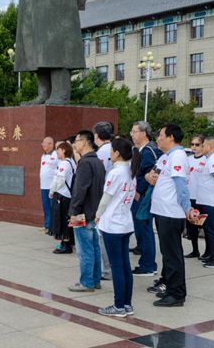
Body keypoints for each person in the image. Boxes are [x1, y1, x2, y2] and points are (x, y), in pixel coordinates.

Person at [147, 124, 193, 307]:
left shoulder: (178, 156)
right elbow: (151, 176)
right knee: (167, 255)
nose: (157, 138)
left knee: (173, 255)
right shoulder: (166, 157)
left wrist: (187, 208)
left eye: (160, 135)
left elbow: (181, 186)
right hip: (162, 211)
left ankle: (177, 294)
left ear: (171, 137)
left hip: (171, 213)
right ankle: (171, 288)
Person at [95, 138, 140, 318]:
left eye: (111, 151)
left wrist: (97, 215)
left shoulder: (116, 173)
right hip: (125, 224)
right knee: (125, 266)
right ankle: (127, 304)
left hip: (112, 225)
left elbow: (105, 199)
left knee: (117, 267)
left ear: (117, 153)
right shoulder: (130, 171)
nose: (109, 154)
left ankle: (119, 306)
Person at [67, 130, 105, 292]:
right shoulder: (97, 162)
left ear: (83, 142)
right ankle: (95, 280)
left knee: (84, 249)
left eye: (76, 141)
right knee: (94, 247)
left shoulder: (84, 163)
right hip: (94, 212)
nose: (74, 144)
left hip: (82, 213)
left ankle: (87, 282)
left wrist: (73, 212)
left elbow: (79, 191)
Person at [129, 121, 161, 277]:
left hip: (143, 196)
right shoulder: (140, 150)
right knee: (141, 229)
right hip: (138, 195)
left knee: (144, 229)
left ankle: (148, 265)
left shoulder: (149, 151)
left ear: (143, 133)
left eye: (134, 131)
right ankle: (145, 262)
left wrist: (138, 191)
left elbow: (150, 174)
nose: (132, 135)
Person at [93, 121, 115, 281]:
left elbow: (98, 177)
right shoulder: (114, 148)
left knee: (101, 234)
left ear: (96, 136)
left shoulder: (101, 152)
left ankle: (107, 270)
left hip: (105, 197)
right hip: (115, 197)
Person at [49, 142, 76, 254]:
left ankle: (66, 245)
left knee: (63, 220)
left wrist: (52, 191)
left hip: (63, 195)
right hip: (68, 195)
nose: (57, 152)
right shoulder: (71, 161)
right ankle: (69, 242)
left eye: (58, 150)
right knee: (67, 220)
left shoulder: (64, 163)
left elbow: (60, 180)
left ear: (64, 150)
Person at [195, 136, 214, 268]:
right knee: (209, 231)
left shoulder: (213, 159)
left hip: (211, 202)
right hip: (206, 201)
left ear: (210, 146)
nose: (202, 148)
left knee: (212, 231)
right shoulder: (209, 159)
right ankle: (212, 255)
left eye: (203, 145)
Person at [186, 135, 208, 258]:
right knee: (192, 226)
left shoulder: (207, 159)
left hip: (202, 198)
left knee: (204, 226)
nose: (194, 147)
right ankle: (195, 250)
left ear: (203, 145)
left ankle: (208, 252)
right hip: (190, 197)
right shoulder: (188, 159)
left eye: (197, 144)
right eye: (192, 144)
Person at [40, 137, 59, 232]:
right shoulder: (43, 156)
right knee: (46, 207)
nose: (42, 144)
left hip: (52, 187)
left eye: (44, 143)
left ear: (51, 144)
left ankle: (53, 227)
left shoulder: (56, 155)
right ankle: (47, 225)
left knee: (53, 207)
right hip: (43, 186)